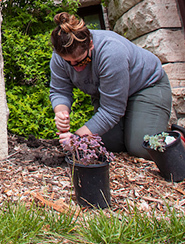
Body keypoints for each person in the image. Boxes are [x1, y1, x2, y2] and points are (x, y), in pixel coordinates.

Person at [49, 12, 174, 159]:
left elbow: (112, 110)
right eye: (68, 62)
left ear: (90, 45)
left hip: (146, 87)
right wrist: (61, 112)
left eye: (80, 61)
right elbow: (59, 91)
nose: (75, 67)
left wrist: (76, 139)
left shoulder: (112, 52)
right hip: (109, 96)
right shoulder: (60, 56)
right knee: (107, 144)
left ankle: (179, 139)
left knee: (143, 147)